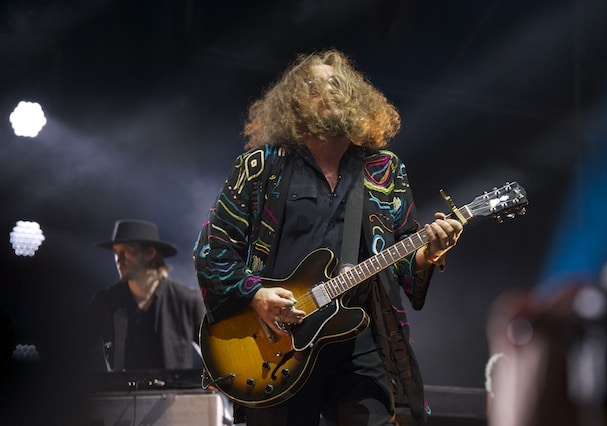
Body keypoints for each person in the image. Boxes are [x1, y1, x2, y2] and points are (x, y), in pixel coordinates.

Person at [194, 49, 464, 426]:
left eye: (336, 84)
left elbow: (402, 257)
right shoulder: (262, 165)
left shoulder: (383, 169)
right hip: (278, 342)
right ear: (294, 103)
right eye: (313, 86)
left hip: (358, 340)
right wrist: (256, 295)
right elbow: (213, 251)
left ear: (354, 96)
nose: (327, 92)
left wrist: (430, 252)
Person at [84, 219, 205, 372]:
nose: (119, 260)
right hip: (121, 387)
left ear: (150, 253)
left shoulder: (186, 300)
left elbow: (215, 355)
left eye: (128, 251)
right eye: (116, 252)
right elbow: (76, 350)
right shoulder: (105, 302)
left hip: (175, 388)